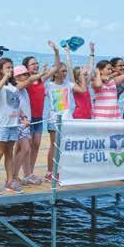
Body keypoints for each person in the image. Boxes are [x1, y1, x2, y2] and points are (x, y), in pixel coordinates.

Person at [0, 59, 37, 194]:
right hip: (3, 124)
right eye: (7, 67)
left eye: (11, 67)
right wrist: (5, 77)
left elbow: (16, 105)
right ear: (0, 70)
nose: (10, 69)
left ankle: (10, 181)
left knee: (9, 153)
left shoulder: (13, 87)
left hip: (14, 124)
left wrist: (23, 117)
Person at [20, 41, 61, 186]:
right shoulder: (26, 80)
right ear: (26, 68)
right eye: (33, 64)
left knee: (36, 144)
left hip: (38, 118)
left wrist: (56, 51)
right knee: (27, 146)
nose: (36, 66)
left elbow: (56, 67)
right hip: (26, 118)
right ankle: (25, 174)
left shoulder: (41, 79)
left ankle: (29, 173)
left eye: (36, 63)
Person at [45, 42, 77, 182]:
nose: (64, 73)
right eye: (62, 71)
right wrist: (56, 52)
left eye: (65, 71)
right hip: (54, 120)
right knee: (54, 145)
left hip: (67, 120)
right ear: (55, 72)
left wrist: (68, 55)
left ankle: (60, 170)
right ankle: (50, 171)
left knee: (63, 146)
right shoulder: (49, 85)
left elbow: (82, 88)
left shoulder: (68, 85)